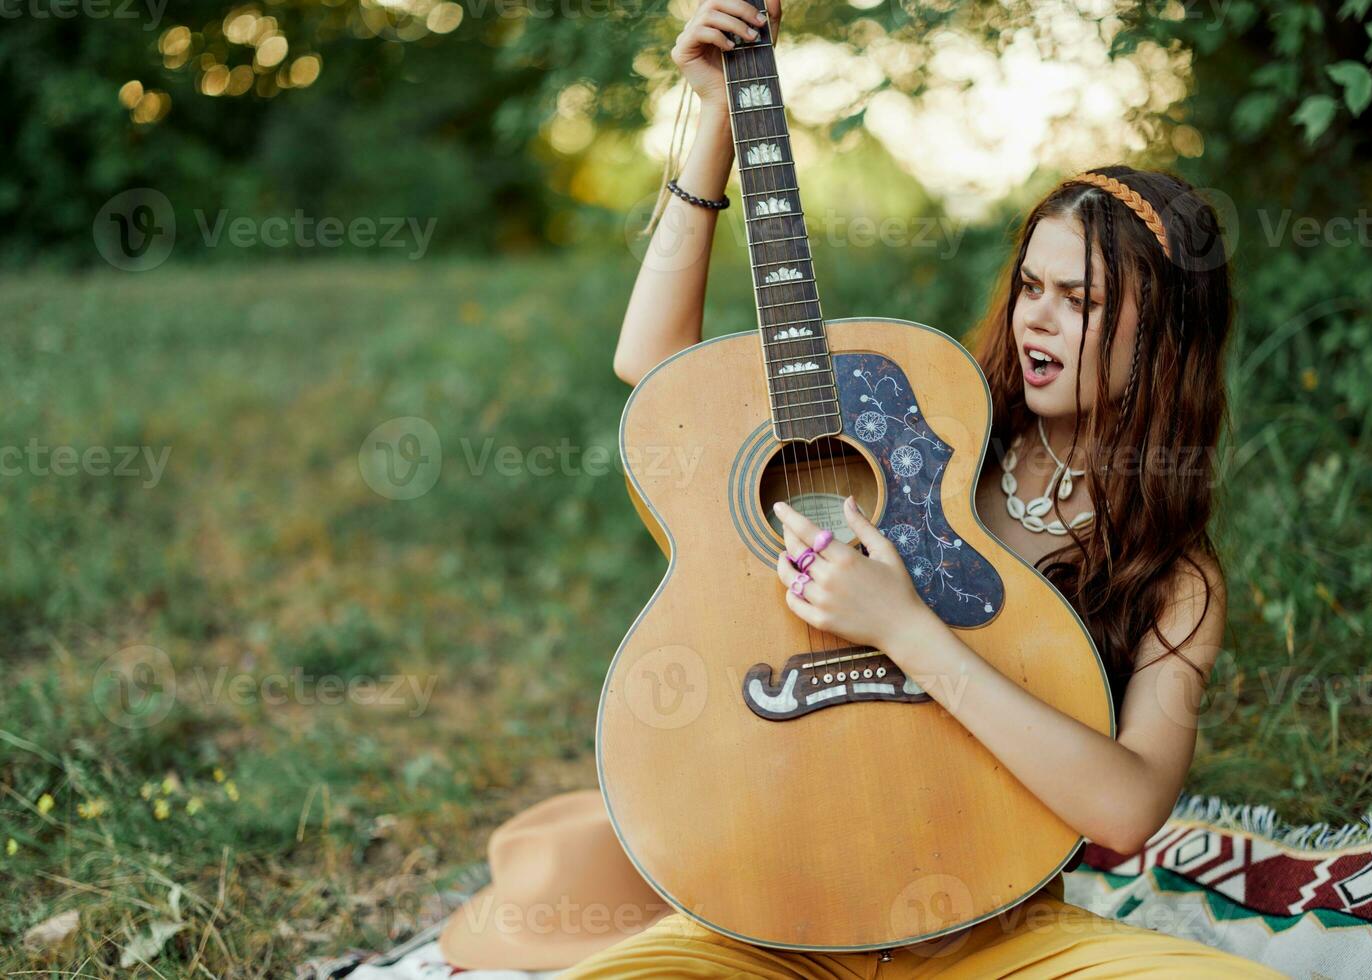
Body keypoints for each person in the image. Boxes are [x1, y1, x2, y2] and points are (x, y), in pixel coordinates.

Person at [549, 0, 1291, 976]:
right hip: (762, 917)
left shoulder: (1173, 574)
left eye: (1083, 301)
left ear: (1167, 338)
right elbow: (658, 373)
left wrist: (906, 627)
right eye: (1033, 286)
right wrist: (716, 126)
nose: (1040, 321)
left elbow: (1126, 804)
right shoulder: (924, 430)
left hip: (999, 929)